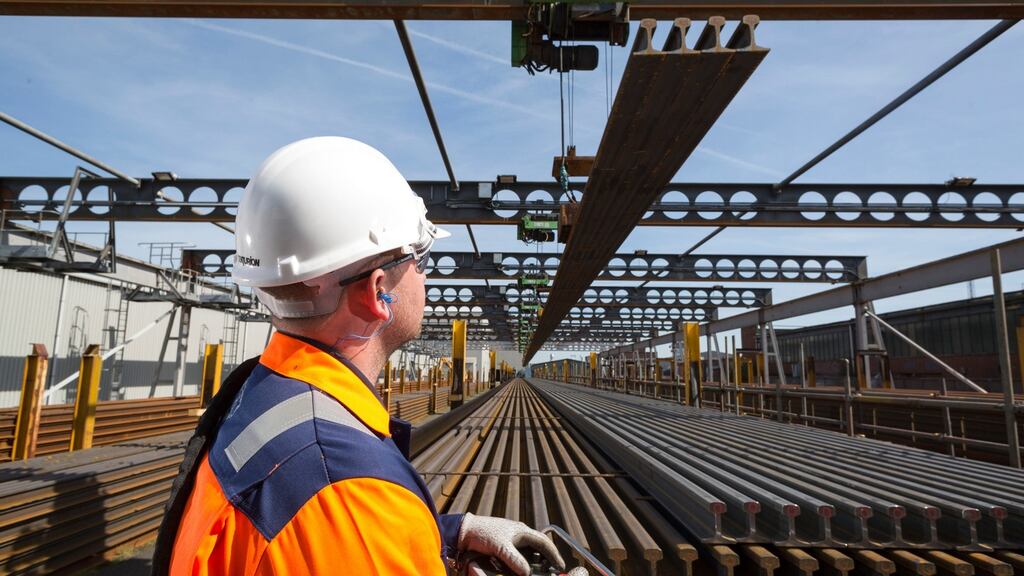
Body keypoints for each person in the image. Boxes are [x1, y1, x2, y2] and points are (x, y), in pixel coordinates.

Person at [151, 137, 575, 576]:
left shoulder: (264, 396)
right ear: (378, 293)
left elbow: (327, 544)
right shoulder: (342, 484)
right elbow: (342, 524)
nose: (425, 275)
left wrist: (446, 534)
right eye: (420, 257)